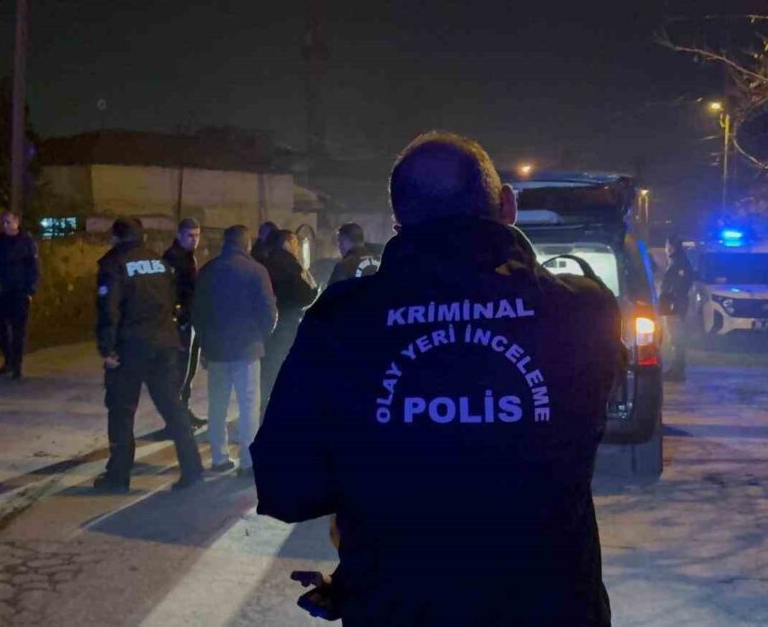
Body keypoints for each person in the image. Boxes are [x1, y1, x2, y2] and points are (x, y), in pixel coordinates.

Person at [251, 131, 624, 626]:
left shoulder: (343, 321)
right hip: (549, 607)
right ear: (507, 206)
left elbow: (286, 485)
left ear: (398, 221)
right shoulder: (582, 308)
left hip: (401, 604)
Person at [94, 217, 204, 492]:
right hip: (163, 343)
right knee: (173, 407)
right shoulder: (159, 262)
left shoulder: (113, 264)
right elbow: (172, 300)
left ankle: (118, 477)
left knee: (121, 412)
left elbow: (109, 310)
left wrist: (107, 349)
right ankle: (192, 468)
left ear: (116, 238)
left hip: (129, 348)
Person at [192, 225, 277, 477]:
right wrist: (260, 338)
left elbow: (198, 313)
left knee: (217, 405)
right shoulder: (256, 271)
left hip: (216, 351)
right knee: (248, 405)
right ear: (246, 244)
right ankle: (249, 461)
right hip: (247, 349)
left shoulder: (207, 271)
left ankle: (219, 458)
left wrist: (205, 346)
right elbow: (268, 312)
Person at [260, 229, 318, 410]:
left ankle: (264, 407)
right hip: (287, 321)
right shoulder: (291, 265)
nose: (298, 248)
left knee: (269, 368)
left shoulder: (266, 263)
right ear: (288, 243)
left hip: (268, 324)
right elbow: (304, 294)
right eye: (296, 244)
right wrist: (314, 291)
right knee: (283, 365)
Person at [161, 217, 206, 430]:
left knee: (189, 371)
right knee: (178, 373)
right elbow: (168, 293)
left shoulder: (188, 257)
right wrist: (179, 319)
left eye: (197, 235)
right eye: (190, 235)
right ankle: (175, 421)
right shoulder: (172, 258)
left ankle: (183, 412)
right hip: (181, 323)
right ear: (179, 235)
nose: (194, 239)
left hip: (191, 320)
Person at [0, 211, 40, 380]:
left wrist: (30, 290)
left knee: (18, 332)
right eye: (3, 222)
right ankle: (9, 359)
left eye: (8, 222)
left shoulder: (27, 242)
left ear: (16, 222)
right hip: (1, 295)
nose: (5, 225)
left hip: (19, 293)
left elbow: (34, 268)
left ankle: (17, 366)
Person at [660, 235, 696, 382]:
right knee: (675, 337)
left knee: (677, 338)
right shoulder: (678, 262)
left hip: (675, 306)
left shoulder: (679, 263)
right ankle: (676, 368)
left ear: (672, 246)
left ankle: (678, 370)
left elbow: (677, 287)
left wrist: (670, 301)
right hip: (674, 305)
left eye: (667, 245)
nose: (666, 248)